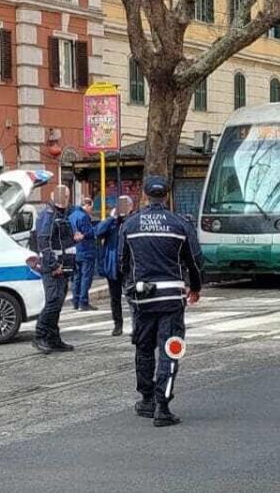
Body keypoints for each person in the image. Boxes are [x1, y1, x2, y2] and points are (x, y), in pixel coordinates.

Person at [118, 177, 203, 427]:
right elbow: (196, 260)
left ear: (145, 195)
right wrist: (195, 287)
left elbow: (121, 263)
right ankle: (163, 406)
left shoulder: (130, 224)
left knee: (143, 346)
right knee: (170, 349)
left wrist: (128, 288)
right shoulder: (180, 224)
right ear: (167, 196)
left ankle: (146, 399)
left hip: (142, 298)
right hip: (172, 299)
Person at [32, 185, 81, 354]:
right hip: (54, 268)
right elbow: (44, 242)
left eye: (66, 196)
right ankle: (40, 336)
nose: (65, 199)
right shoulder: (49, 215)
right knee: (53, 302)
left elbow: (60, 241)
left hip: (63, 267)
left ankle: (53, 338)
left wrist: (74, 240)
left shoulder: (61, 215)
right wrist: (53, 265)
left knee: (58, 303)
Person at [94, 196, 133, 337]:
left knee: (132, 297)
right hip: (113, 266)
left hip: (129, 265)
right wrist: (111, 218)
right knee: (115, 298)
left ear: (130, 207)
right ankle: (118, 325)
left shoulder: (132, 221)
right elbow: (97, 232)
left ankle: (136, 325)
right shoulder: (112, 223)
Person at [68, 197, 98, 311]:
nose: (91, 210)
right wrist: (95, 230)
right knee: (86, 277)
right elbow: (88, 232)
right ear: (88, 205)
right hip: (86, 250)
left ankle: (75, 302)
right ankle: (83, 302)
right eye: (91, 207)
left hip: (75, 251)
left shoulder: (71, 216)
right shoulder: (84, 216)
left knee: (77, 277)